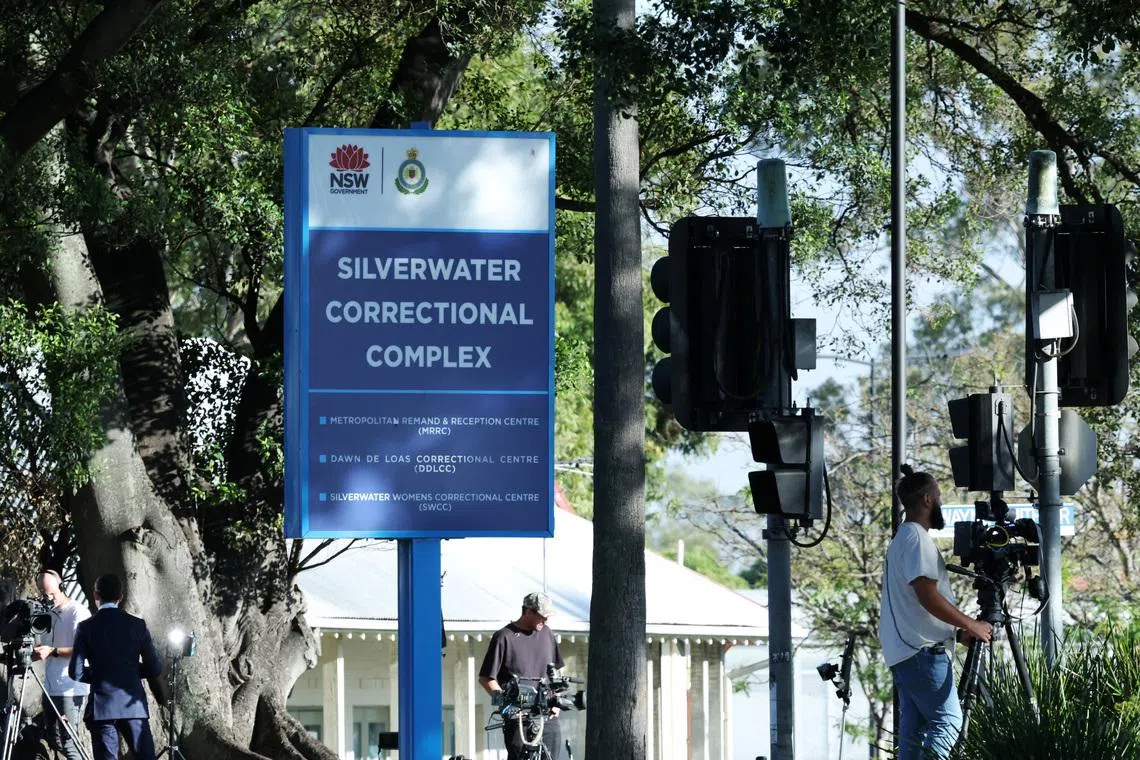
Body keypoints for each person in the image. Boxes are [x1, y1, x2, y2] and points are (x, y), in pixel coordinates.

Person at [879, 465, 994, 760]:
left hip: (906, 652)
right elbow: (927, 596)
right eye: (939, 496)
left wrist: (957, 632)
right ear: (928, 499)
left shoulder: (902, 538)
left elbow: (914, 606)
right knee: (948, 721)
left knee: (914, 732)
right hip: (921, 652)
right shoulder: (916, 539)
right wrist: (972, 624)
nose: (941, 502)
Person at [69, 573, 163, 760]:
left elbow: (75, 671)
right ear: (120, 596)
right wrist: (131, 671)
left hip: (102, 705)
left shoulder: (86, 627)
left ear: (96, 595)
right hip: (133, 704)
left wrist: (99, 674)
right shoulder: (137, 625)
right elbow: (154, 668)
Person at [478, 592, 564, 760]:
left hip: (547, 718)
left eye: (547, 617)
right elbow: (486, 678)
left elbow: (557, 671)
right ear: (528, 612)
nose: (545, 621)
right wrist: (507, 706)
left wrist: (557, 700)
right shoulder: (504, 637)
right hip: (518, 721)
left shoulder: (547, 634)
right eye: (542, 616)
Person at [32, 569, 91, 760]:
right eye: (44, 594)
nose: (49, 598)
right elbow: (45, 646)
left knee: (69, 742)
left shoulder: (78, 612)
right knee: (54, 740)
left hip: (70, 688)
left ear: (62, 586)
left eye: (52, 593)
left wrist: (53, 651)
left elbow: (83, 648)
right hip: (50, 687)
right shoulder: (46, 614)